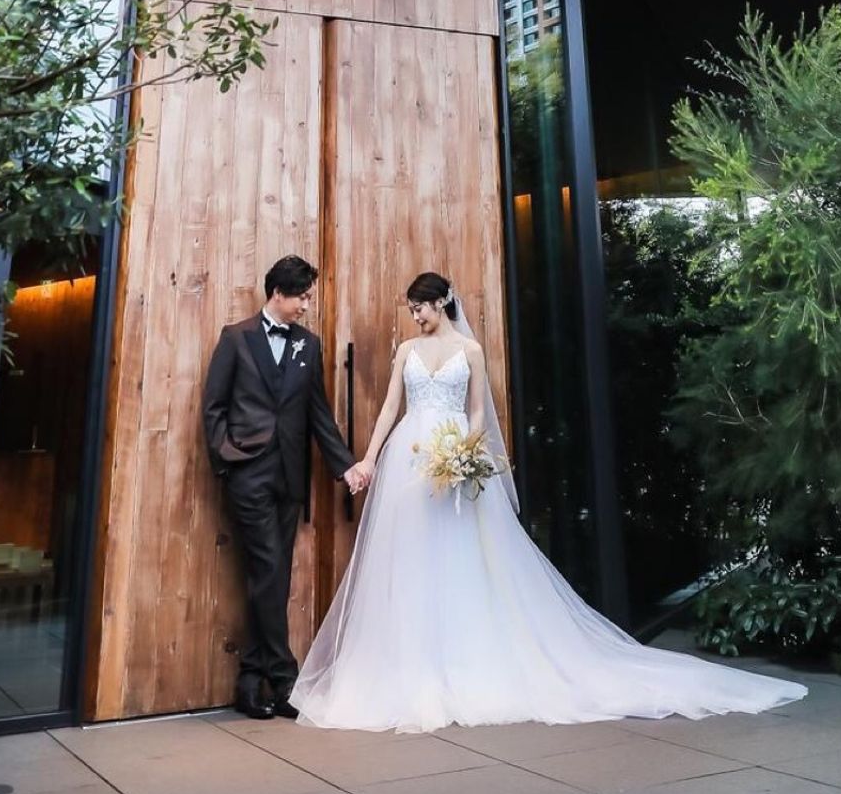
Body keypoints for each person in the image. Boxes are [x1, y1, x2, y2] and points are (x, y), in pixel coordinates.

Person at [291, 270, 805, 733]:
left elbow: (478, 412)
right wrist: (370, 459)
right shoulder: (406, 350)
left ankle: (465, 661)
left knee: (462, 557)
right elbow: (389, 409)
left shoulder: (469, 351)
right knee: (410, 559)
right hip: (411, 457)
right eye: (411, 310)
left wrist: (467, 454)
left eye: (420, 307)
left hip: (453, 454)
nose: (416, 316)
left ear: (441, 303)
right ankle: (411, 663)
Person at [201, 254, 368, 720]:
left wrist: (345, 467)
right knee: (269, 567)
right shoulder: (236, 338)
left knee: (271, 576)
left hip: (290, 478)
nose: (307, 306)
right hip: (248, 474)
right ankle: (285, 676)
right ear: (278, 293)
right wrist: (227, 460)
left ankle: (250, 681)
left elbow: (319, 413)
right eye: (302, 298)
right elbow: (213, 408)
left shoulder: (307, 346)